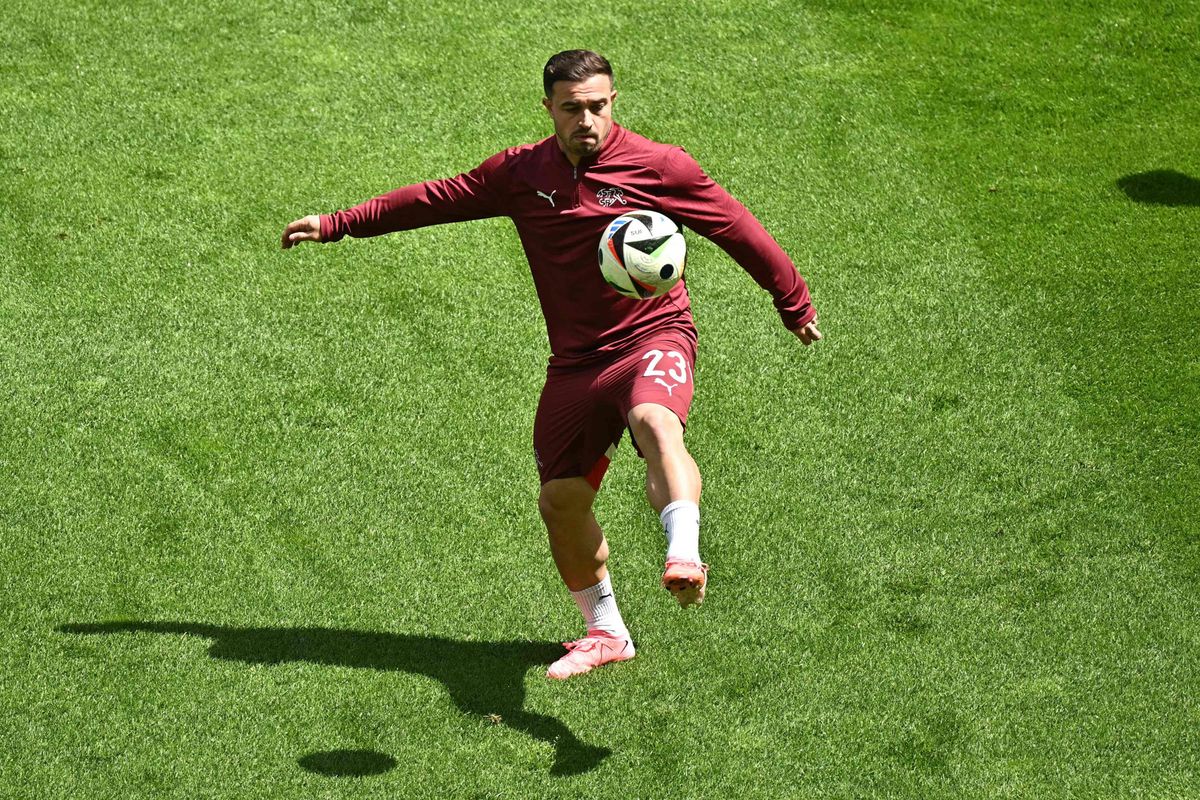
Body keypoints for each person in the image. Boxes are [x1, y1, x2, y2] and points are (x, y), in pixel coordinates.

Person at [281, 50, 821, 680]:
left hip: (654, 335)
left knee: (655, 421)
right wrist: (339, 223)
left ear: (613, 101)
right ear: (550, 110)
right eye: (572, 108)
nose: (587, 120)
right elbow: (436, 199)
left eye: (598, 105)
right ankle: (606, 632)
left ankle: (684, 553)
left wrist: (792, 299)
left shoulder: (660, 166)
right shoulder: (522, 173)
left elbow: (736, 227)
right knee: (561, 499)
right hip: (576, 364)